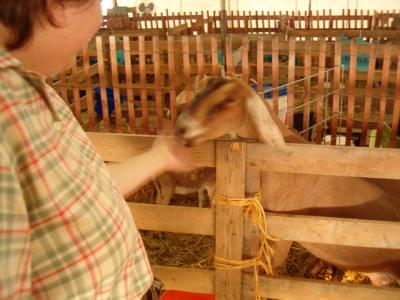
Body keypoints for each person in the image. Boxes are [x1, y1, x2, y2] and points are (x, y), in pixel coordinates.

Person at [0, 1, 194, 299]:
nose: (100, 18)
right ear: (56, 6)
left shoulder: (31, 88)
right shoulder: (6, 109)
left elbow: (86, 188)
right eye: (96, 3)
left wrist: (160, 156)